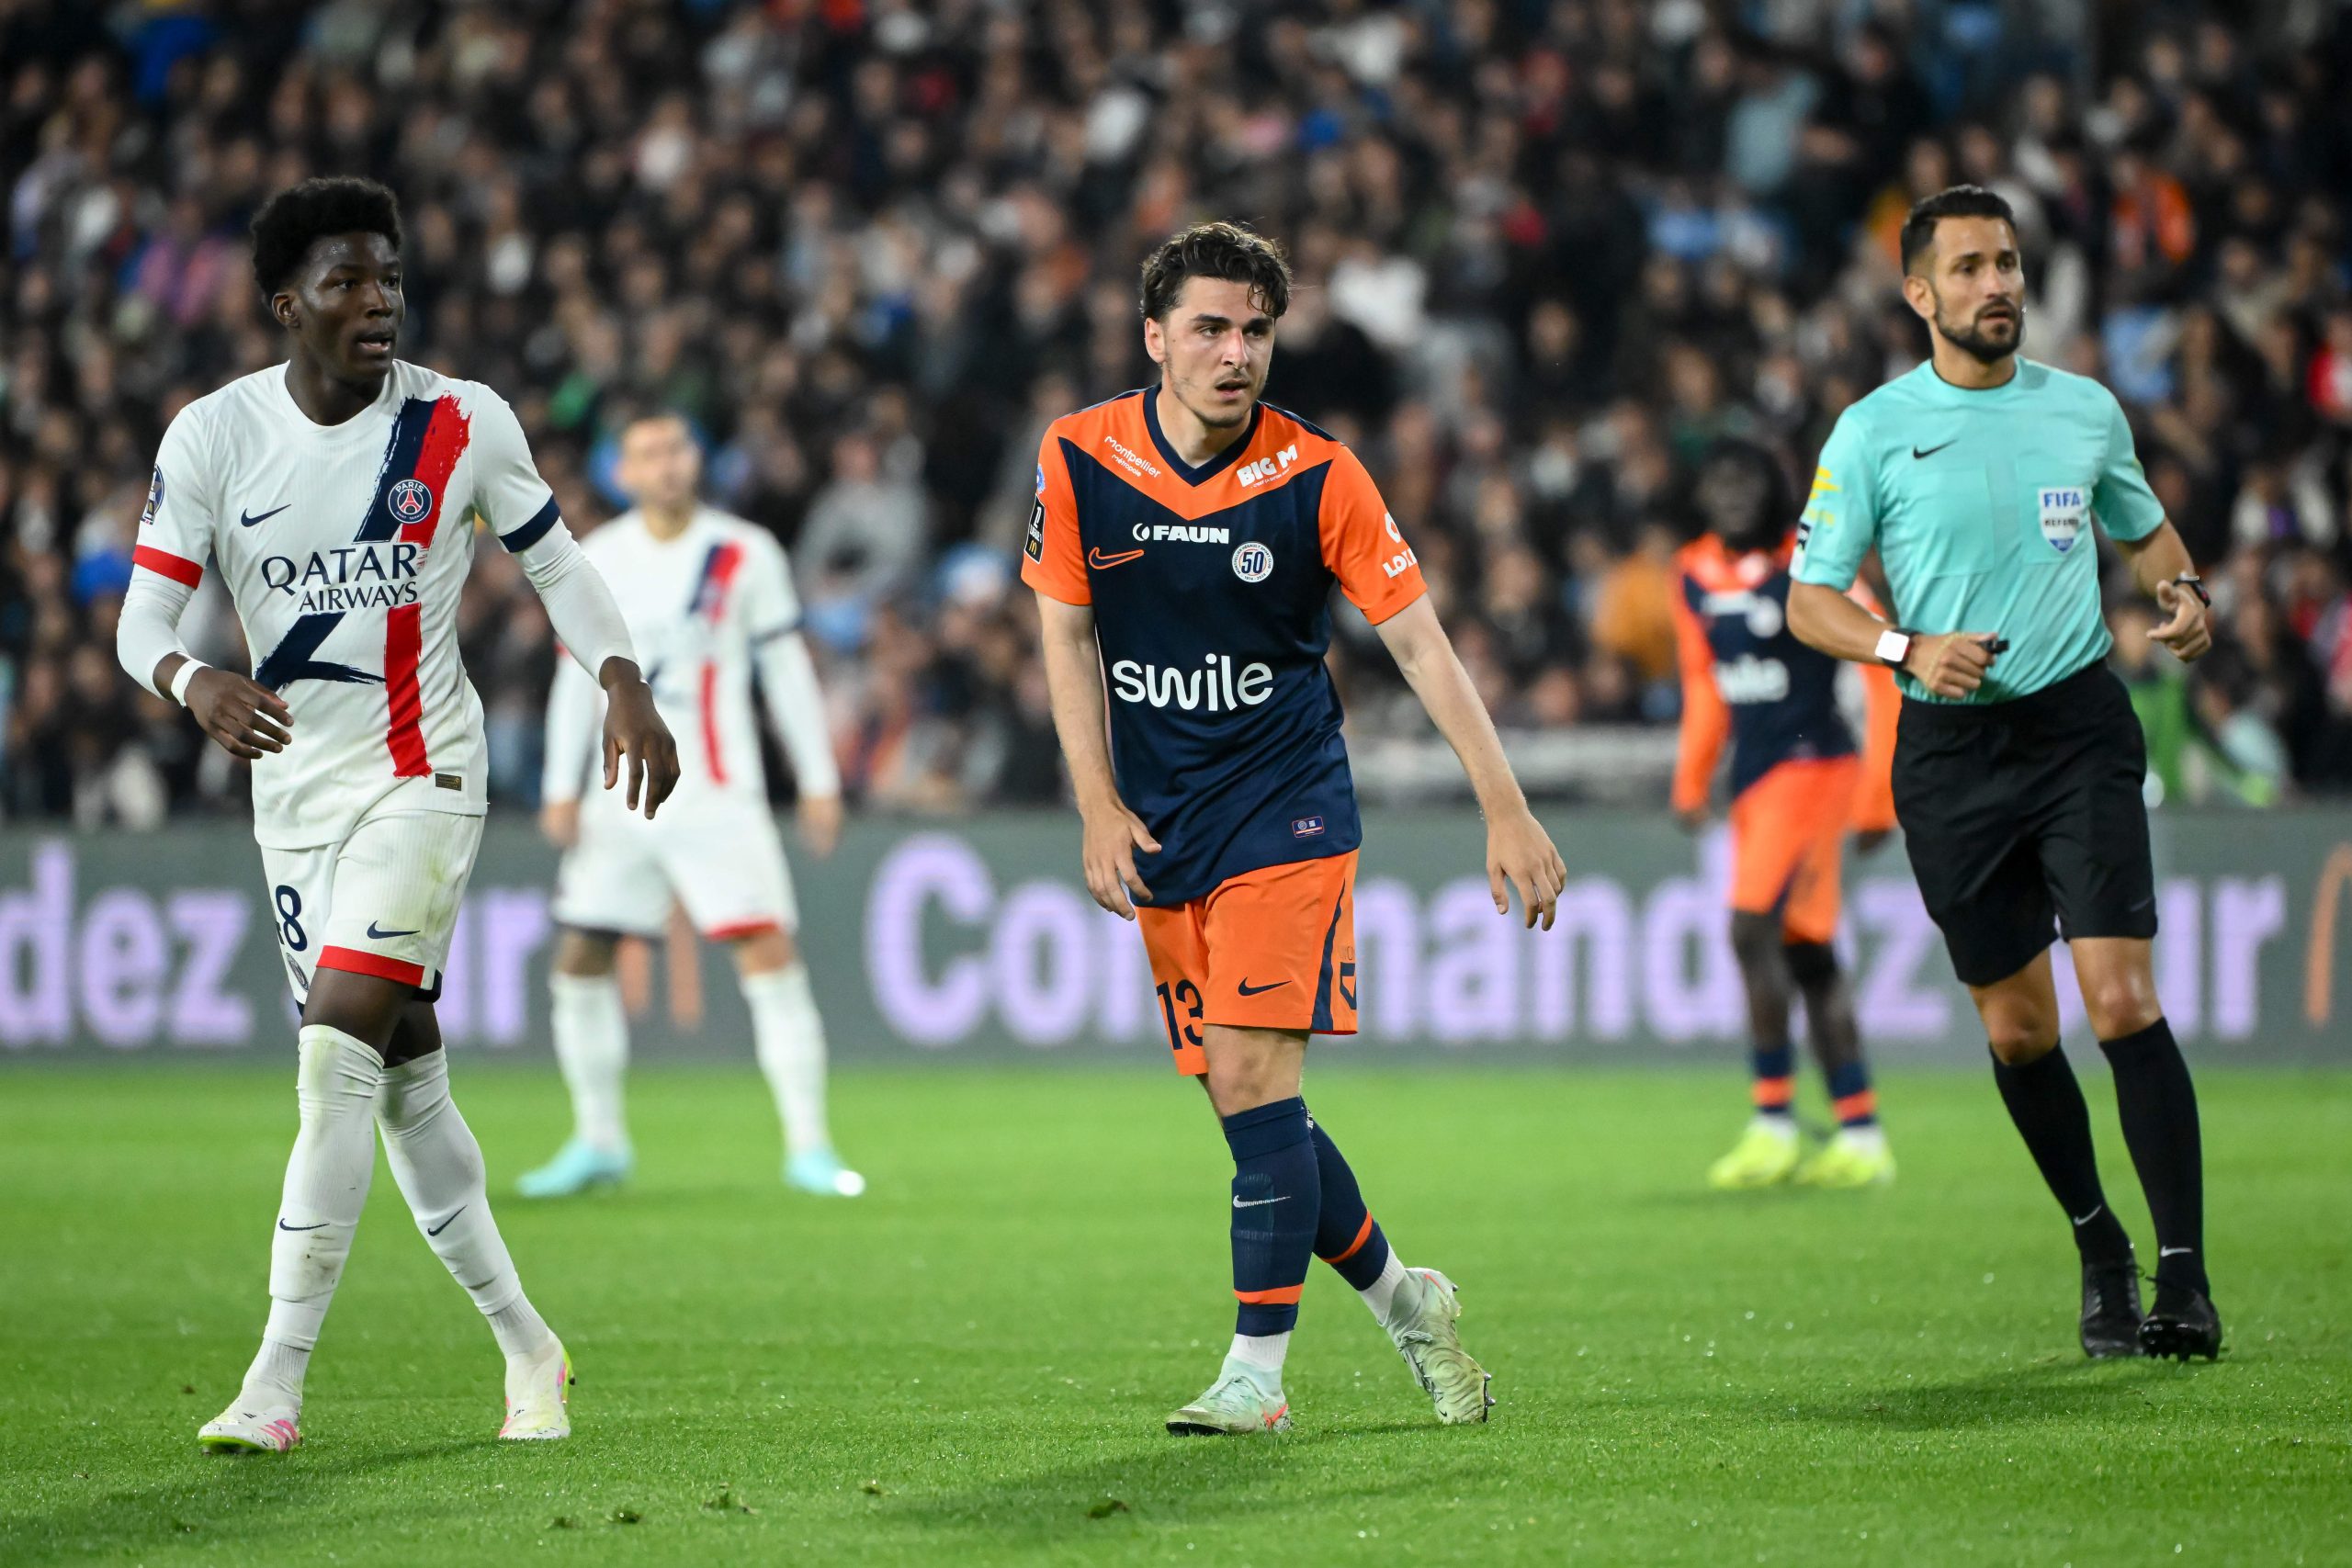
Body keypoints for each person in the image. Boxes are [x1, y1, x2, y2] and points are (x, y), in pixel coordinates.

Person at [113, 177, 680, 1452]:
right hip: (294, 801)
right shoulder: (211, 436)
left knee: (332, 1056)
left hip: (424, 780)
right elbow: (140, 622)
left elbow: (558, 562)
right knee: (405, 1084)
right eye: (346, 283)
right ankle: (531, 1345)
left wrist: (623, 677)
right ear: (284, 305)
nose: (377, 303)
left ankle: (273, 1377)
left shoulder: (459, 422)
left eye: (391, 280)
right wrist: (192, 676)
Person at [1024, 222, 1568, 1435]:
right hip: (1164, 828)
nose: (1235, 353)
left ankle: (1255, 1375)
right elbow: (1066, 630)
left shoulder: (1319, 473)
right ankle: (1408, 1302)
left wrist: (1505, 802)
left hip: (1288, 808)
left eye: (1256, 331)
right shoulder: (1080, 455)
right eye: (1210, 328)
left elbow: (1418, 639)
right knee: (1253, 1108)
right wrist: (1098, 800)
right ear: (1154, 335)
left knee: (1260, 1073)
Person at [1787, 186, 2222, 1360]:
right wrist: (1903, 647)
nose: (1999, 287)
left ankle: (2182, 1277)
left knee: (2121, 999)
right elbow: (1809, 599)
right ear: (1919, 295)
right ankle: (2098, 1246)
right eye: (1971, 268)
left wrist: (2182, 594)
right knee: (2021, 1033)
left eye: (2010, 264)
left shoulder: (2082, 413)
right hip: (1947, 748)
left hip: (2078, 727)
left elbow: (2147, 538)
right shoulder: (1872, 430)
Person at [519, 412, 860, 1199]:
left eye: (676, 448)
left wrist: (818, 778)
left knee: (767, 952)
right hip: (619, 796)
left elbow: (785, 673)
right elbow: (578, 680)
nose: (666, 465)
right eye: (648, 453)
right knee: (581, 955)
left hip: (717, 792)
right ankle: (598, 1139)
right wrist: (560, 787)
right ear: (624, 472)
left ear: (695, 459)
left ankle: (810, 1145)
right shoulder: (594, 558)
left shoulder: (745, 551)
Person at [1671, 439, 1900, 1190]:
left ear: (1777, 489)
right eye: (1720, 478)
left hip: (1815, 770)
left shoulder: (1814, 562)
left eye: (1749, 477)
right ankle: (1861, 1133)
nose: (1734, 493)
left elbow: (1884, 670)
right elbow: (1705, 683)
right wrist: (1692, 776)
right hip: (1756, 780)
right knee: (1806, 952)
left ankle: (1772, 1121)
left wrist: (1880, 795)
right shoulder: (1693, 573)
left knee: (1748, 929)